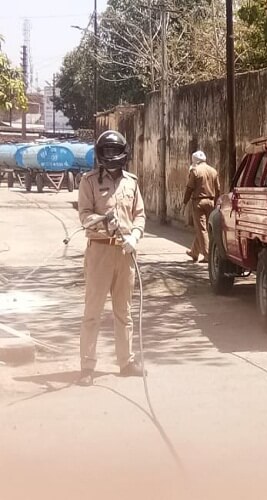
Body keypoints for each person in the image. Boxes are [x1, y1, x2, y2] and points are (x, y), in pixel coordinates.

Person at [77, 130, 145, 386]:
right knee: (93, 311)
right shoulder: (89, 181)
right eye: (106, 152)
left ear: (123, 153)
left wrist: (135, 236)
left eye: (115, 151)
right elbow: (84, 215)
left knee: (124, 312)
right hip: (100, 251)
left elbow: (140, 214)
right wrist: (103, 221)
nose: (111, 156)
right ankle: (87, 366)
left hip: (124, 252)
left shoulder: (132, 182)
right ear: (100, 153)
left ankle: (126, 362)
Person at [183, 150, 220, 263]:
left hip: (198, 202)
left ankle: (208, 255)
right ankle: (194, 252)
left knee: (201, 229)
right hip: (211, 201)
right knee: (205, 228)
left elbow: (189, 188)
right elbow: (218, 188)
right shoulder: (213, 171)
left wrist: (185, 202)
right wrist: (217, 202)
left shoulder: (195, 171)